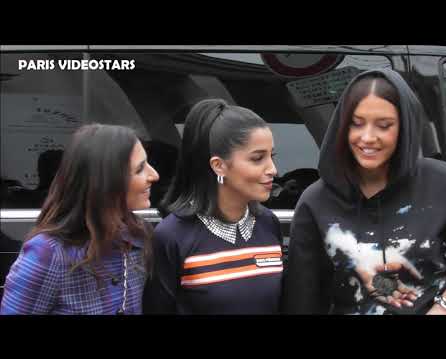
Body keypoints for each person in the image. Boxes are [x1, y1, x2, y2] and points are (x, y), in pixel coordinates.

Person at [282, 68, 446, 315]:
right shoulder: (316, 201)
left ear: (404, 128)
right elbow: (302, 300)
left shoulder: (439, 181)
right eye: (356, 124)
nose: (368, 137)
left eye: (384, 126)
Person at [142, 98, 283, 314]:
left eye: (271, 156)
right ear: (219, 166)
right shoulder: (172, 236)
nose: (273, 169)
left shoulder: (268, 223)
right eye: (257, 158)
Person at [0, 123, 159, 314]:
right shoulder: (48, 254)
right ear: (106, 181)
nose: (154, 175)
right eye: (140, 168)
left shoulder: (139, 237)